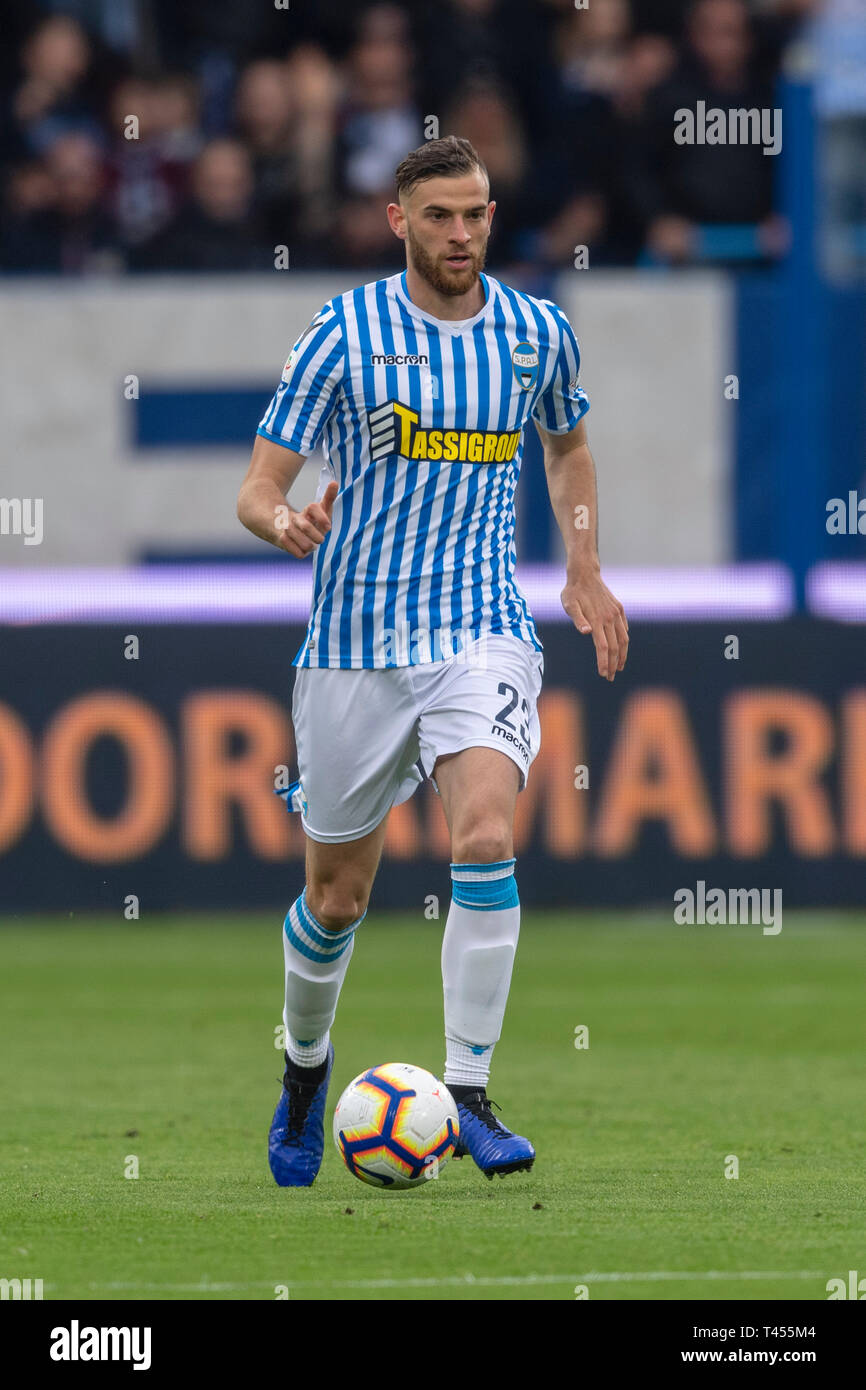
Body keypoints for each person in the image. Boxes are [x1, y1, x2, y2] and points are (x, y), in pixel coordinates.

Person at [236, 135, 628, 1187]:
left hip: (478, 629)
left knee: (486, 830)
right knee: (336, 898)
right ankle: (304, 1076)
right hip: (354, 646)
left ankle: (467, 1093)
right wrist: (284, 523)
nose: (461, 234)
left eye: (476, 214)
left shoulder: (535, 333)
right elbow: (255, 487)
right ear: (397, 221)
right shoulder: (343, 333)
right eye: (440, 217)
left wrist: (582, 569)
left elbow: (568, 445)